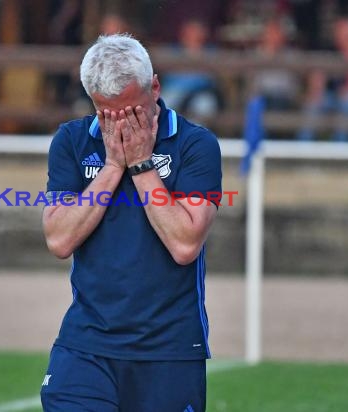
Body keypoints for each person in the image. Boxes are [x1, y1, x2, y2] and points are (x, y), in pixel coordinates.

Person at [41, 34, 222, 412]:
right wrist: (111, 166)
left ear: (154, 87)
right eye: (109, 113)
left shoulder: (195, 145)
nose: (123, 123)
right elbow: (58, 239)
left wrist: (141, 165)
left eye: (133, 109)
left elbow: (186, 243)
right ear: (93, 102)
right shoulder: (72, 141)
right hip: (86, 344)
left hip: (169, 348)